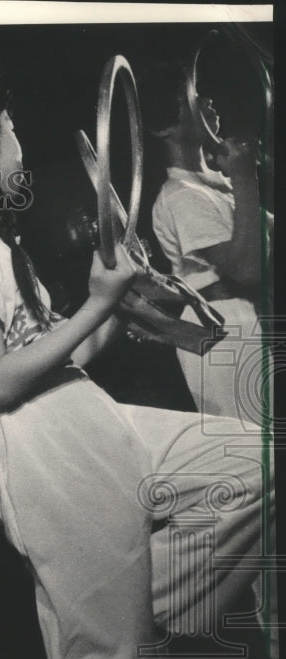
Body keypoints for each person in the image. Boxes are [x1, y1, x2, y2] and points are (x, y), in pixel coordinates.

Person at [0, 75, 269, 659]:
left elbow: (61, 353)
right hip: (39, 444)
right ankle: (109, 616)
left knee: (255, 465)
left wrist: (116, 309)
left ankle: (121, 604)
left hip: (81, 415)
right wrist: (97, 302)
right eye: (11, 130)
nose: (19, 148)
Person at [141, 61, 272, 421]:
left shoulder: (215, 184)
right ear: (165, 126)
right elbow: (247, 270)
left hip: (248, 321)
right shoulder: (180, 195)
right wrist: (246, 178)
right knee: (254, 454)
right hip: (224, 332)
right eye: (193, 96)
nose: (208, 99)